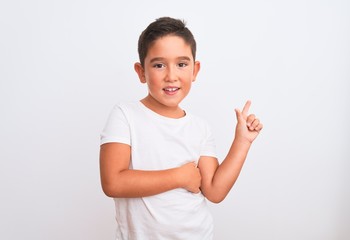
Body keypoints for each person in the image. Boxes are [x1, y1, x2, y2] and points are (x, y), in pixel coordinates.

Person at [100, 16, 263, 240]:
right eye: (159, 65)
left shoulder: (200, 128)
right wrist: (179, 176)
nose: (171, 76)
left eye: (182, 64)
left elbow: (214, 191)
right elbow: (113, 183)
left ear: (195, 70)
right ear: (141, 72)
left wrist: (242, 142)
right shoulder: (125, 116)